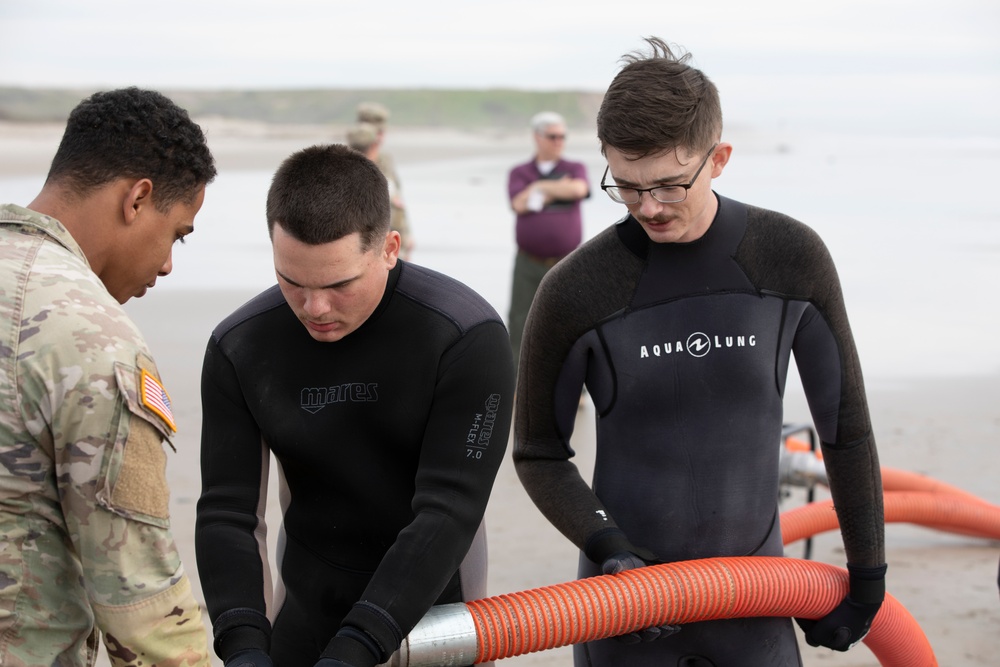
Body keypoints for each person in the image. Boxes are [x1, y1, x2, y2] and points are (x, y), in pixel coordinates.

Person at [513, 37, 886, 666]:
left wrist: (868, 578)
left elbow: (845, 431)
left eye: (668, 185)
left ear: (719, 158)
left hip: (755, 606)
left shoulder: (789, 257)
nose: (648, 209)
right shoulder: (576, 288)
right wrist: (608, 547)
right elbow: (538, 452)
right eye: (626, 188)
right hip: (626, 607)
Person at [194, 144, 514, 667]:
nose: (314, 309)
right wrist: (243, 644)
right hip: (307, 604)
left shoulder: (462, 336)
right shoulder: (241, 345)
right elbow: (228, 514)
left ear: (389, 248)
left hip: (432, 606)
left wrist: (358, 648)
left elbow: (449, 510)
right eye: (291, 282)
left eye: (339, 284)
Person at [0, 87, 216, 666]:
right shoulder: (92, 338)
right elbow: (142, 607)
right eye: (177, 232)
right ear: (138, 198)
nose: (168, 262)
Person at [506, 111, 589, 367]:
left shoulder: (574, 168)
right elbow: (519, 204)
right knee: (520, 320)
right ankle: (516, 381)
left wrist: (540, 190)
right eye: (553, 137)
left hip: (567, 261)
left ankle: (579, 385)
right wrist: (549, 188)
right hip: (528, 262)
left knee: (573, 320)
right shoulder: (520, 172)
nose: (559, 142)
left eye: (563, 136)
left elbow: (579, 189)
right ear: (537, 137)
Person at [356, 102, 413, 260]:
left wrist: (407, 236)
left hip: (393, 239)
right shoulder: (351, 163)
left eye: (381, 131)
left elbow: (397, 198)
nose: (380, 136)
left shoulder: (385, 161)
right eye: (375, 130)